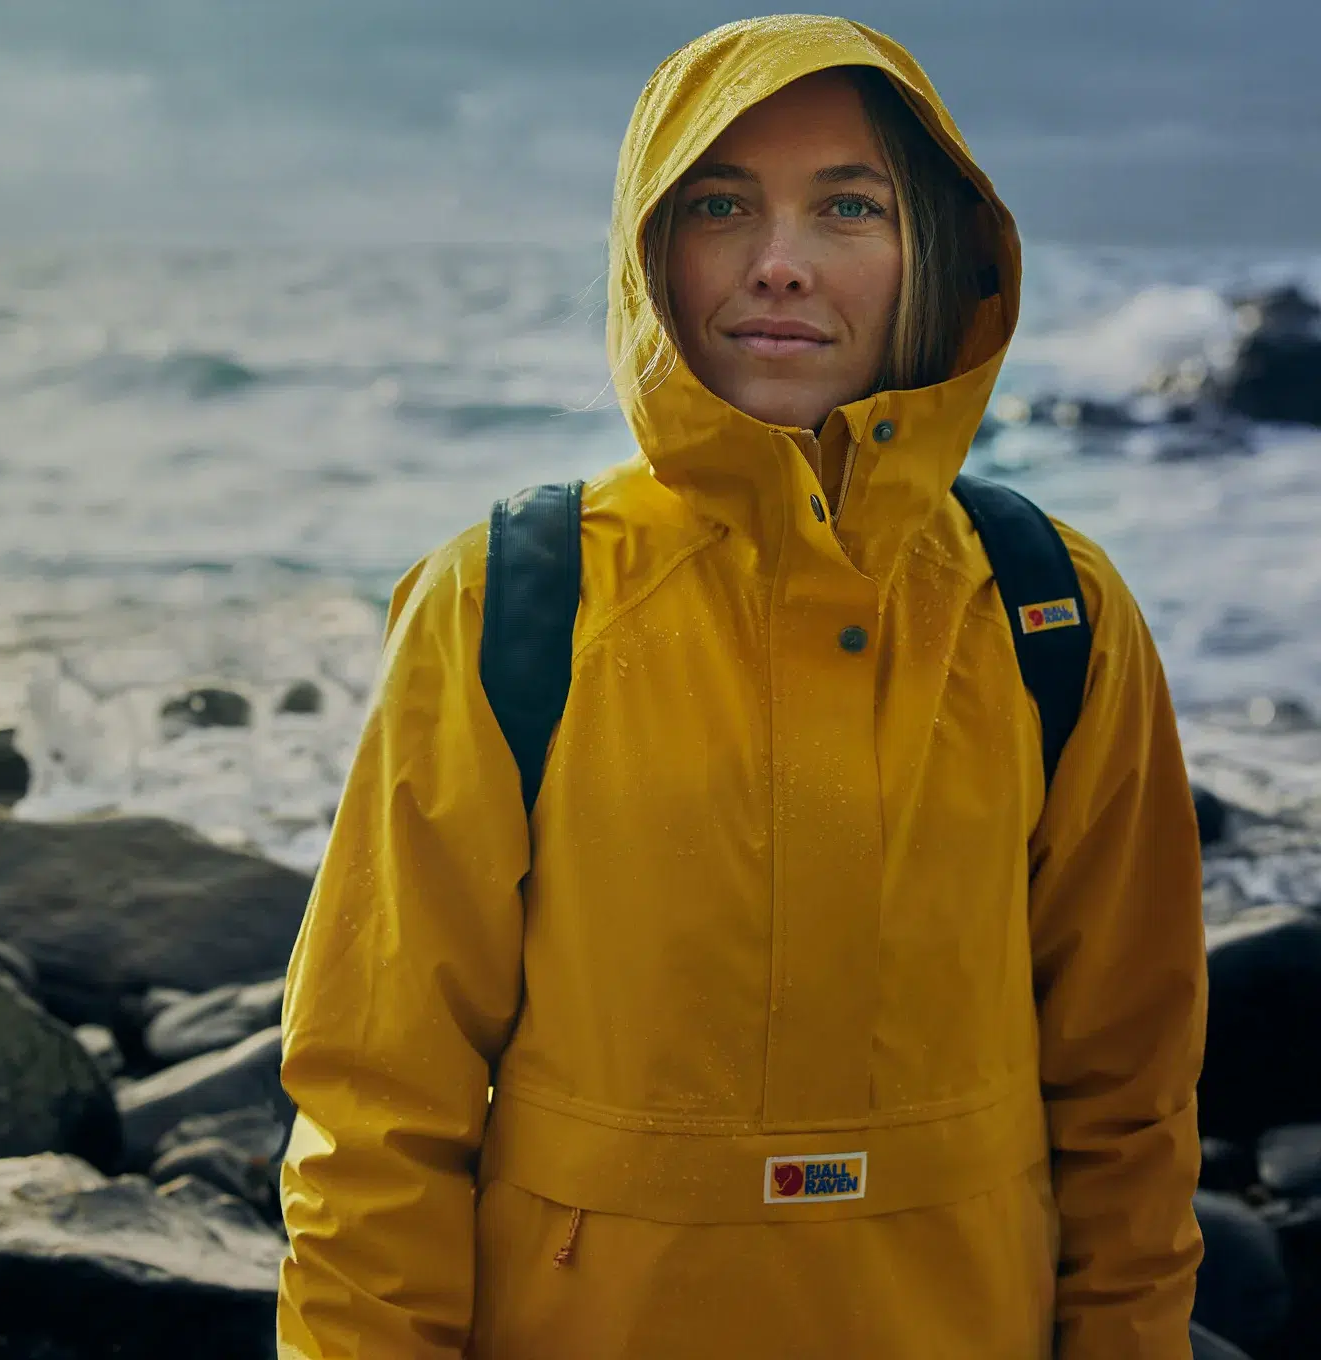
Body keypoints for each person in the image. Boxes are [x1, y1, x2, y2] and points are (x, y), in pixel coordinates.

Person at [276, 15, 1207, 1359]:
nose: (781, 265)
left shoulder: (1054, 610)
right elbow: (376, 1108)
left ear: (929, 252)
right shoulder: (505, 602)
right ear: (650, 255)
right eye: (721, 205)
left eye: (847, 207)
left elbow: (1131, 1096)